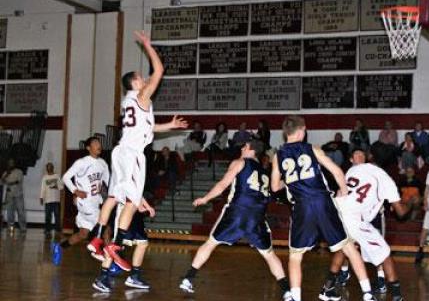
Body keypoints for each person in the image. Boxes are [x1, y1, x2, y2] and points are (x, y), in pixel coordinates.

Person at [87, 30, 188, 271]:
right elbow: (160, 71)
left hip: (120, 151)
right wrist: (148, 46)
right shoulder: (142, 95)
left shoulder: (128, 102)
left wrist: (169, 126)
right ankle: (117, 244)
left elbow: (148, 127)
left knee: (113, 197)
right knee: (132, 202)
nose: (145, 80)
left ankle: (99, 237)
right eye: (141, 78)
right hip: (132, 154)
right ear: (135, 83)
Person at [271, 115, 375, 301]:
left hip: (302, 206)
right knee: (349, 248)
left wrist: (289, 183)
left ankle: (295, 297)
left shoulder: (278, 156)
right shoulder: (312, 149)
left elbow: (274, 187)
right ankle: (368, 294)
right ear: (302, 130)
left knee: (295, 256)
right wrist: (343, 191)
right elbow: (336, 171)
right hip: (322, 202)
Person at [179, 140, 293, 301]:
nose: (241, 148)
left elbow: (223, 184)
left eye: (244, 146)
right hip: (257, 216)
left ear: (250, 149)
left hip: (237, 211)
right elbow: (277, 188)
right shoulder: (265, 172)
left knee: (210, 243)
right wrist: (291, 179)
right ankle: (287, 291)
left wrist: (206, 198)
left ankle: (188, 278)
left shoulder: (240, 162)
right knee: (269, 255)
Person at [334, 148, 410, 301]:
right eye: (356, 154)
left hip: (367, 216)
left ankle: (378, 280)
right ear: (351, 159)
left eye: (362, 155)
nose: (360, 156)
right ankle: (343, 277)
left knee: (355, 248)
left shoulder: (364, 173)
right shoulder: (349, 173)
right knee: (352, 248)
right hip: (355, 217)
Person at [51, 137, 110, 265]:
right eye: (95, 143)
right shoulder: (82, 162)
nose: (98, 145)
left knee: (82, 234)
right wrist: (75, 191)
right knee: (106, 229)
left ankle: (59, 247)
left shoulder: (103, 164)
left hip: (95, 202)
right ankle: (109, 263)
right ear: (88, 148)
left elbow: (108, 183)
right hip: (85, 203)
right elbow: (66, 177)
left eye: (99, 143)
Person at [92, 200, 155, 293]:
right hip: (125, 210)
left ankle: (135, 276)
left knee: (143, 243)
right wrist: (147, 205)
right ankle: (102, 278)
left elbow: (137, 190)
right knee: (115, 246)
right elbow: (132, 190)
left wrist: (143, 204)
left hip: (135, 211)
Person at [1, 158, 26, 233]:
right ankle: (11, 228)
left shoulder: (19, 172)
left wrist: (8, 182)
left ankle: (23, 228)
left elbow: (17, 181)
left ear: (14, 164)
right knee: (10, 213)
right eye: (9, 163)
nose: (11, 164)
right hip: (9, 196)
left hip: (18, 195)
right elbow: (2, 182)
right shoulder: (6, 172)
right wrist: (6, 175)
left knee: (21, 212)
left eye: (12, 163)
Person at [40, 162, 63, 238]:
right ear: (46, 169)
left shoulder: (57, 176)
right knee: (47, 216)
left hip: (56, 200)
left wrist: (55, 186)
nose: (49, 168)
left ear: (53, 168)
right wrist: (41, 197)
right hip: (47, 200)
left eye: (50, 167)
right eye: (48, 167)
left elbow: (61, 187)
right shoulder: (45, 177)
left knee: (57, 216)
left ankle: (57, 230)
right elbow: (43, 188)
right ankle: (47, 230)